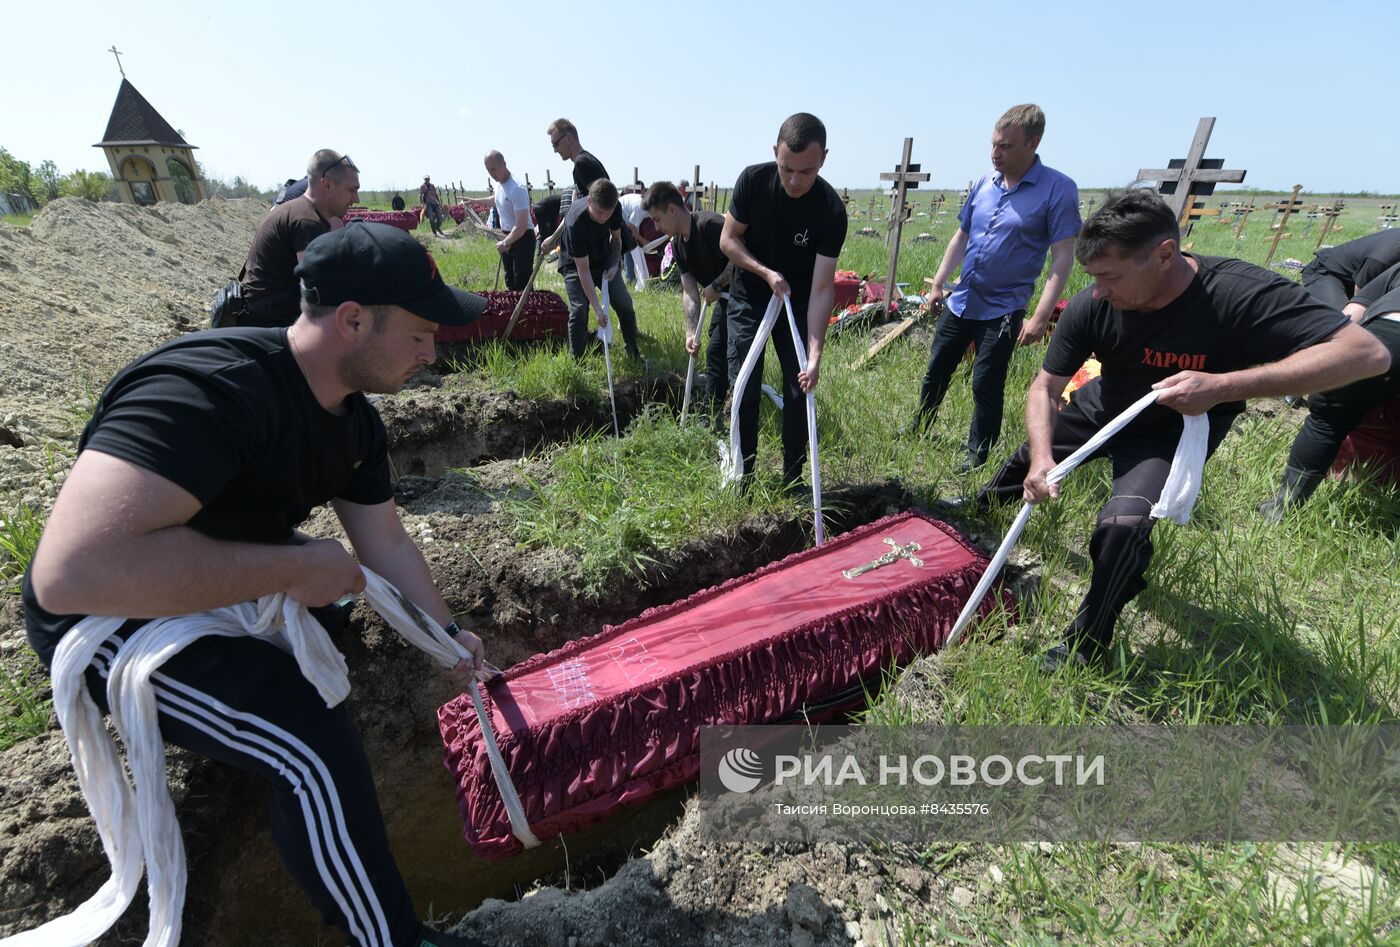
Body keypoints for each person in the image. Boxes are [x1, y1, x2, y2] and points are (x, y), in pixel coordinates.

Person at [22, 223, 493, 947]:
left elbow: (385, 542)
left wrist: (448, 634)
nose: (432, 354)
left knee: (332, 646)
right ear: (353, 320)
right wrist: (294, 566)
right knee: (306, 735)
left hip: (212, 590)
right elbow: (71, 574)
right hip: (110, 615)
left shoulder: (354, 425)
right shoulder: (210, 390)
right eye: (422, 333)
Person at [972, 190, 1389, 670]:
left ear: (1164, 255)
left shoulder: (1239, 294)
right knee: (1030, 457)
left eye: (1110, 276)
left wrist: (1224, 386)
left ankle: (1087, 640)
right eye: (1093, 278)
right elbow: (1045, 388)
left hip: (1173, 432)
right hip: (1104, 406)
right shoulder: (1094, 303)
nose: (1098, 291)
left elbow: (1366, 354)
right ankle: (981, 507)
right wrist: (1045, 458)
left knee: (1123, 529)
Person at [908, 104, 1080, 471]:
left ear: (1033, 143)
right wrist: (939, 283)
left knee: (986, 382)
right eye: (993, 144)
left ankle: (977, 452)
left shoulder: (1057, 189)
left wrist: (1040, 315)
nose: (995, 153)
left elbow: (1062, 257)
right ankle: (919, 427)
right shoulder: (986, 182)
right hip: (962, 300)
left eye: (1006, 146)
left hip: (1003, 308)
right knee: (937, 368)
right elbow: (961, 236)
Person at [719, 112, 847, 486]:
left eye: (805, 171)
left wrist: (816, 355)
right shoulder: (753, 182)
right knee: (745, 383)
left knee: (798, 386)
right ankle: (745, 475)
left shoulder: (830, 211)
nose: (793, 180)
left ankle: (792, 478)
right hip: (750, 295)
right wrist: (764, 272)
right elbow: (728, 240)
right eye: (786, 168)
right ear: (775, 152)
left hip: (799, 300)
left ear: (823, 159)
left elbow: (823, 288)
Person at [1261, 260, 1400, 521]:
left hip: (1391, 332)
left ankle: (1283, 508)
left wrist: (1330, 368)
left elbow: (1352, 316)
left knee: (1328, 418)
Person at [241, 149, 360, 328]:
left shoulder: (297, 209)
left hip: (263, 312)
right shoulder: (307, 222)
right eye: (352, 190)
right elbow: (316, 292)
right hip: (270, 321)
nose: (356, 199)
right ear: (327, 185)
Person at [644, 180, 734, 414]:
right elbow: (690, 292)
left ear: (672, 210)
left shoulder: (709, 225)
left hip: (748, 296)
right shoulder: (678, 244)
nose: (656, 228)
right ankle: (714, 406)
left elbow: (741, 258)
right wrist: (690, 332)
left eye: (657, 219)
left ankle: (720, 409)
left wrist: (716, 284)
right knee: (716, 347)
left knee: (722, 350)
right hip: (725, 299)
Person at [559, 178, 642, 361]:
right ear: (589, 201)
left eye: (608, 212)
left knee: (624, 302)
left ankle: (634, 353)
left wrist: (614, 265)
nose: (604, 217)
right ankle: (577, 362)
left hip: (603, 258)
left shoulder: (615, 208)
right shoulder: (575, 222)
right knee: (580, 309)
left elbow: (617, 240)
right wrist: (598, 309)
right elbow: (583, 270)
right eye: (599, 212)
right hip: (575, 264)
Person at [541, 118, 609, 254]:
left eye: (556, 144)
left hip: (595, 246)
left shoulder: (582, 164)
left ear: (569, 138)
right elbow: (575, 208)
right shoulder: (586, 161)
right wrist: (554, 238)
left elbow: (603, 203)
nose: (555, 150)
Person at [1300, 230, 1400, 311]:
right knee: (1341, 321)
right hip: (1327, 272)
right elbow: (1361, 297)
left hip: (1359, 279)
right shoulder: (1386, 257)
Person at [484, 150, 536, 291]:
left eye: (494, 169)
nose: (491, 173)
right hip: (507, 236)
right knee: (510, 281)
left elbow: (522, 225)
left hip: (522, 238)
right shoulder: (499, 185)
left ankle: (527, 312)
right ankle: (513, 311)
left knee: (521, 283)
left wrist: (505, 242)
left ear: (504, 164)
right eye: (488, 170)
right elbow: (496, 199)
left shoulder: (517, 188)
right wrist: (473, 202)